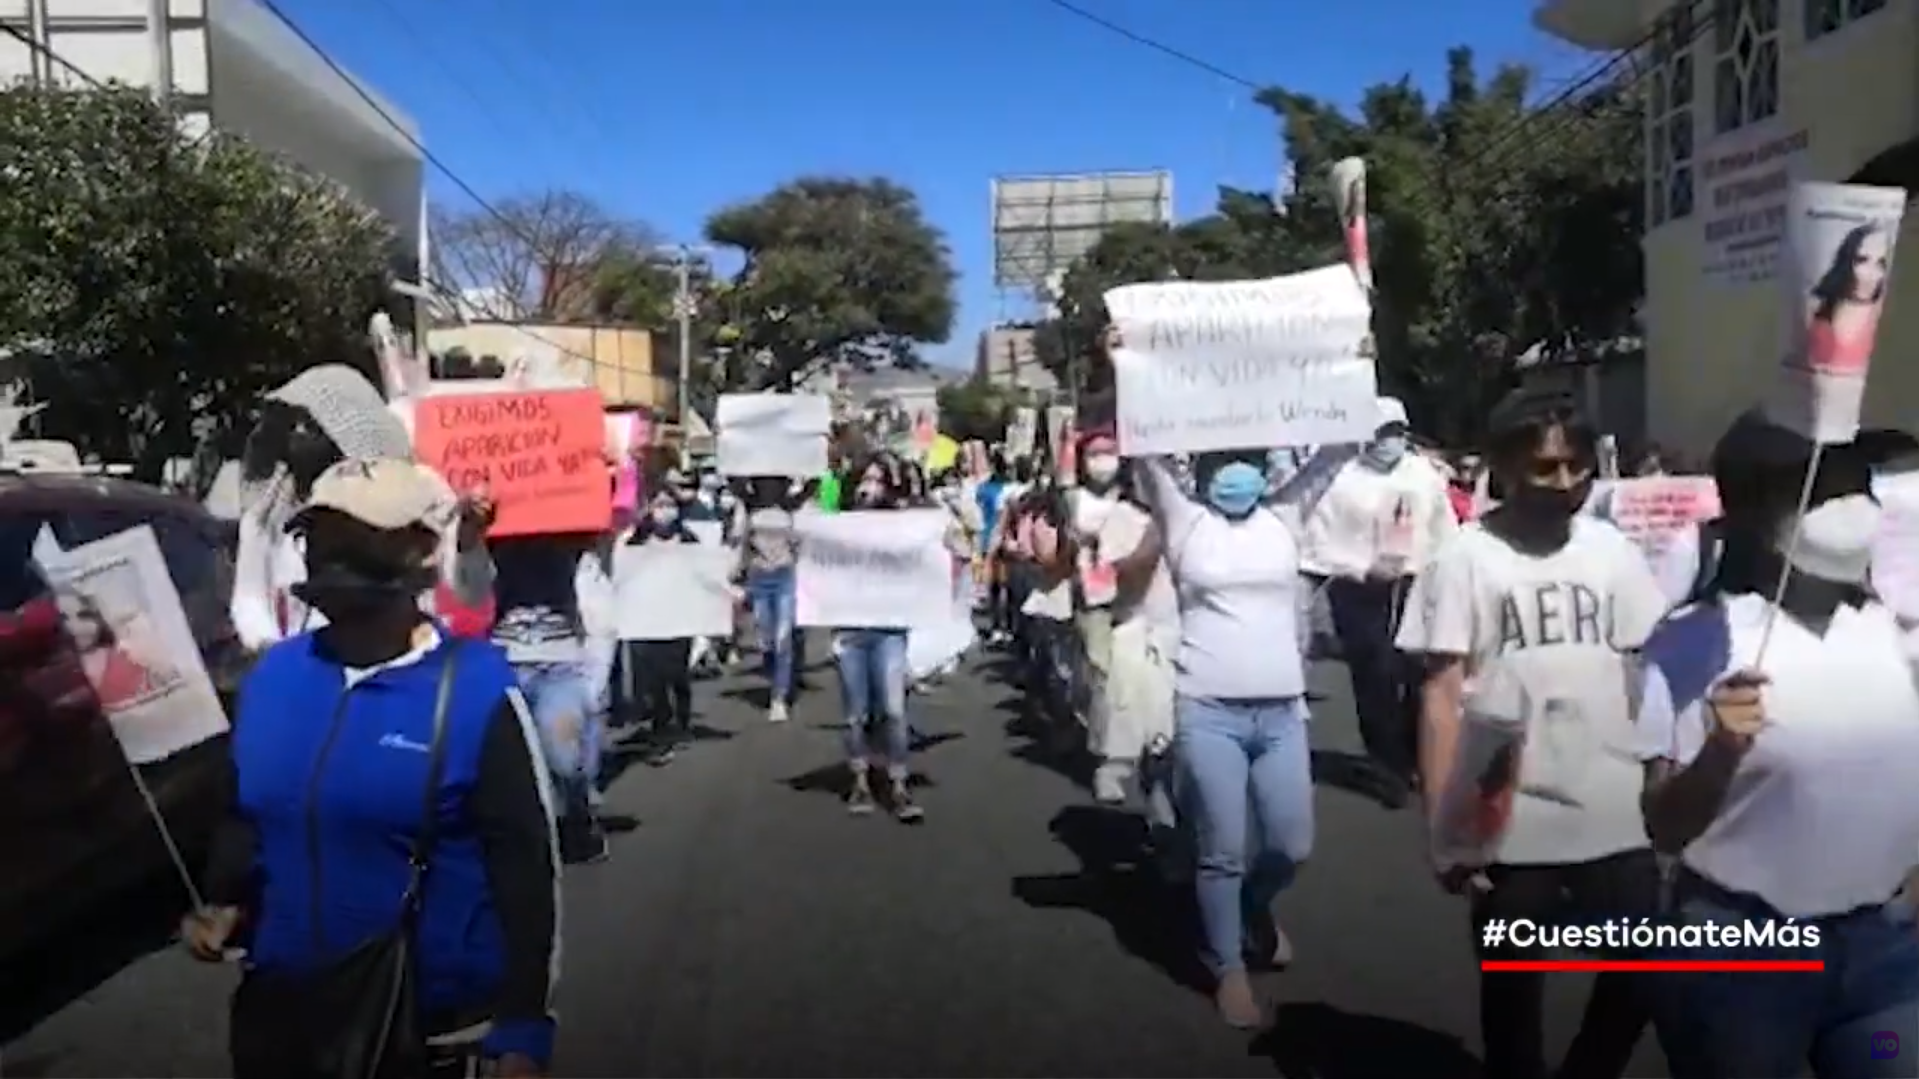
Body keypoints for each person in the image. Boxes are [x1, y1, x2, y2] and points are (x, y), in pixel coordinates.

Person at [182, 457, 558, 1079]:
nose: (333, 557)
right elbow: (248, 814)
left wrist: (523, 1029)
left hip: (429, 1030)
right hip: (281, 1018)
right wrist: (224, 900)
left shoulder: (476, 690)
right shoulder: (275, 676)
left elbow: (525, 865)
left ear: (419, 550)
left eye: (359, 539)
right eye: (321, 538)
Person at [1635, 411, 1919, 1078]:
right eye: (1819, 490)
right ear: (1752, 510)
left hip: (1883, 958)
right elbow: (1664, 825)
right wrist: (1720, 751)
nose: (1848, 507)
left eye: (1857, 486)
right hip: (1742, 959)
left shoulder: (1890, 630)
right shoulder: (1693, 640)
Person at [1395, 388, 1664, 1079]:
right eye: (1545, 468)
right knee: (1513, 995)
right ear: (1504, 467)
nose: (1566, 482)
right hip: (1509, 817)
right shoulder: (1463, 558)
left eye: (1577, 466)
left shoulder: (1611, 548)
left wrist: (1661, 775)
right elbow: (1442, 693)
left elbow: (1640, 669)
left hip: (1612, 807)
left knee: (1645, 968)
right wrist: (1447, 826)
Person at [1133, 439, 1313, 1029]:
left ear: (1264, 469)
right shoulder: (1187, 524)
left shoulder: (1287, 515)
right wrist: (1120, 364)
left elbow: (1337, 452)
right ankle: (1228, 968)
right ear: (1204, 471)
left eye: (1247, 463)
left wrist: (1357, 365)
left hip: (1283, 712)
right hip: (1208, 708)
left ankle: (1247, 908)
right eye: (1222, 464)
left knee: (1291, 846)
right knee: (1223, 848)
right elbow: (1148, 455)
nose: (1235, 475)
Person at [231, 365, 495, 651]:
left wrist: (468, 545)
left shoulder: (417, 494)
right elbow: (249, 600)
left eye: (310, 425)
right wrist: (273, 652)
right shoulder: (265, 514)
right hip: (313, 669)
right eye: (291, 424)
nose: (296, 434)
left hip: (404, 665)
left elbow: (473, 593)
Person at [1300, 396, 1458, 808]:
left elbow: (1445, 528)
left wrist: (1443, 570)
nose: (1389, 441)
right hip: (1360, 589)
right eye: (1380, 432)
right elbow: (1318, 541)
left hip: (1416, 582)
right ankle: (1386, 766)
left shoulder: (1423, 474)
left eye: (1396, 432)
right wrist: (1357, 568)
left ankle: (1417, 754)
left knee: (1417, 672)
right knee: (1375, 675)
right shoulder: (1340, 479)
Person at [1056, 433, 1177, 805]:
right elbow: (1119, 578)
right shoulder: (1124, 517)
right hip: (1134, 629)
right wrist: (1155, 539)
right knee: (1134, 713)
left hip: (1184, 633)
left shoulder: (1192, 515)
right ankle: (1116, 770)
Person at [490, 522, 616, 866]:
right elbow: (464, 590)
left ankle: (578, 817)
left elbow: (600, 616)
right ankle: (530, 837)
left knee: (563, 756)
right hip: (501, 665)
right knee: (512, 768)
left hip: (561, 667)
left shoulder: (577, 550)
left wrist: (596, 680)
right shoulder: (486, 546)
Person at [834, 459, 925, 822]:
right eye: (864, 479)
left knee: (894, 710)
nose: (869, 487)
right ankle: (860, 782)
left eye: (877, 480)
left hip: (889, 629)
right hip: (850, 631)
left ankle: (899, 785)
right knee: (855, 714)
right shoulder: (835, 528)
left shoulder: (900, 527)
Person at [622, 490, 701, 766]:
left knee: (677, 674)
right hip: (650, 619)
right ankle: (660, 735)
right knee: (654, 680)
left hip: (680, 618)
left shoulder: (689, 539)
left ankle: (682, 722)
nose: (664, 511)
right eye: (659, 505)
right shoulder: (637, 542)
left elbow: (702, 575)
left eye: (669, 505)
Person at [737, 475, 805, 722]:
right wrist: (738, 572)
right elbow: (744, 545)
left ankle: (779, 697)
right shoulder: (751, 511)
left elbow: (801, 545)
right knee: (766, 638)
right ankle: (773, 673)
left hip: (784, 576)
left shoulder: (791, 511)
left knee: (783, 638)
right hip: (759, 577)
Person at [1803, 222, 1890, 376]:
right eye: (1862, 260)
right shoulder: (1817, 306)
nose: (1872, 274)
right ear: (1847, 260)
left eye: (1880, 263)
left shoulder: (1884, 312)